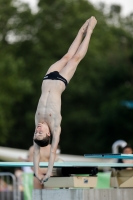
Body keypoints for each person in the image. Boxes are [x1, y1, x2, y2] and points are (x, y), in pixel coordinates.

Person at [33, 16, 97, 184]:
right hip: (61, 81)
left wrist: (35, 172)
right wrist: (46, 173)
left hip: (48, 77)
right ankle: (89, 32)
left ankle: (80, 31)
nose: (38, 129)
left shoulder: (38, 120)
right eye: (40, 132)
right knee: (75, 58)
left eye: (36, 131)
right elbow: (52, 151)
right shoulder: (54, 126)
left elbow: (36, 152)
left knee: (67, 55)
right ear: (48, 134)